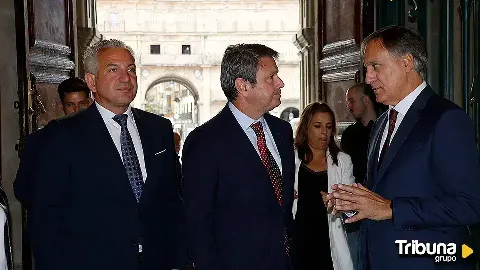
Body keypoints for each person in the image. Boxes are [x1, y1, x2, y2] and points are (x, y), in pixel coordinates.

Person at [328, 26, 480, 270]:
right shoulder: (380, 124)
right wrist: (352, 202)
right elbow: (382, 192)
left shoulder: (446, 119)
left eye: (375, 66)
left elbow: (469, 205)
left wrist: (390, 209)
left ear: (407, 62)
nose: (368, 78)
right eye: (366, 69)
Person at [28, 39, 185, 270]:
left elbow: (172, 200)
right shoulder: (62, 136)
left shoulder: (159, 128)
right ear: (92, 80)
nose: (126, 78)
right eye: (113, 69)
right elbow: (46, 219)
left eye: (131, 69)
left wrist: (179, 259)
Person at [182, 43, 295, 270]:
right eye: (271, 77)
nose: (280, 83)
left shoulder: (282, 131)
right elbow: (198, 224)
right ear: (243, 86)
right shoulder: (205, 141)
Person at [292, 102, 354, 270]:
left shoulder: (342, 161)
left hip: (328, 241)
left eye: (328, 127)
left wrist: (338, 203)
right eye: (318, 126)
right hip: (297, 240)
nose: (324, 132)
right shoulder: (290, 158)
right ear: (305, 128)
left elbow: (352, 207)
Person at [15, 77, 92, 208]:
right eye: (70, 105)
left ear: (90, 103)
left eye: (82, 104)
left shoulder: (104, 137)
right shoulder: (39, 140)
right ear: (62, 106)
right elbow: (23, 189)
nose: (77, 110)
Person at [341, 83, 377, 183]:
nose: (349, 106)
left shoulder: (385, 127)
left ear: (365, 100)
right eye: (348, 102)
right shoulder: (349, 134)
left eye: (352, 101)